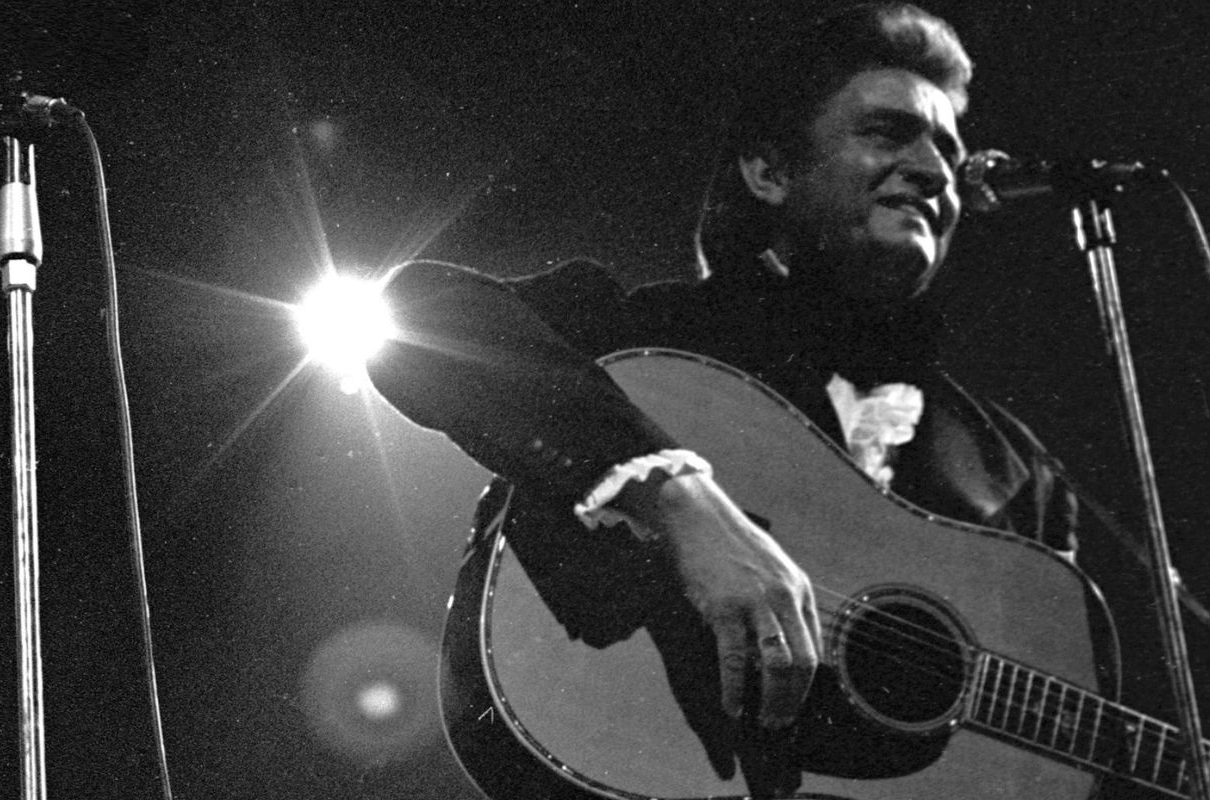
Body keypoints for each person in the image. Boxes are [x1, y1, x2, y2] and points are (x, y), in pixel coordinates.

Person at [368, 3, 1080, 796]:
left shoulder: (1014, 469)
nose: (934, 168)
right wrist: (674, 497)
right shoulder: (655, 338)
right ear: (770, 172)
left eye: (949, 149)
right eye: (887, 133)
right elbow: (421, 316)